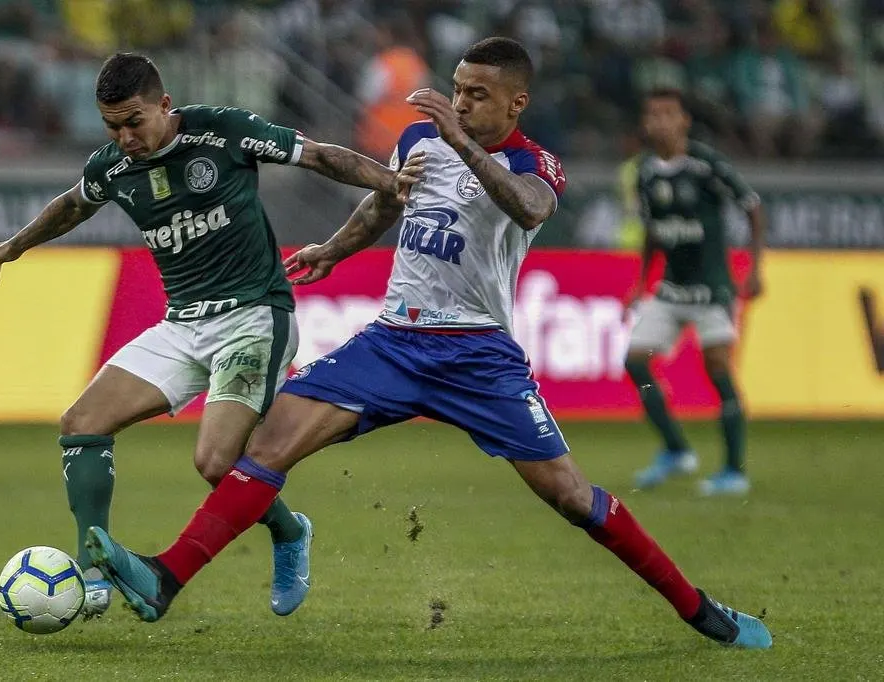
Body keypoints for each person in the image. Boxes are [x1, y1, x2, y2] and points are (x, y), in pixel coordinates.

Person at [83, 39, 772, 649]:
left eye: (478, 93)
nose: (461, 101)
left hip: (478, 357)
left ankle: (698, 609)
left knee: (570, 496)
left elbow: (529, 208)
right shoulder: (418, 142)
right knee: (262, 448)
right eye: (457, 87)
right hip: (393, 341)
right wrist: (334, 249)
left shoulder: (536, 163)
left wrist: (462, 139)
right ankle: (167, 577)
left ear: (516, 101)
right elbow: (386, 203)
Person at [0, 53, 420, 619]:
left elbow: (320, 155)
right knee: (81, 422)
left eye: (134, 122)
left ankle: (290, 530)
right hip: (183, 324)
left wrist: (388, 181)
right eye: (112, 127)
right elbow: (70, 206)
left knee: (216, 462)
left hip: (254, 317)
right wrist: (13, 246)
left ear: (164, 105)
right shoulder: (113, 168)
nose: (125, 137)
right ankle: (92, 569)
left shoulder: (223, 131)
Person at [623, 88, 765, 496]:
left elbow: (752, 207)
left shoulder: (705, 164)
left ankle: (734, 470)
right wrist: (640, 283)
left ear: (684, 120)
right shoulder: (646, 171)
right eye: (653, 115)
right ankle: (675, 448)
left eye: (669, 114)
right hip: (670, 291)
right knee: (635, 362)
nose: (660, 122)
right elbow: (653, 232)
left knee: (718, 370)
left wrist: (755, 269)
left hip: (711, 291)